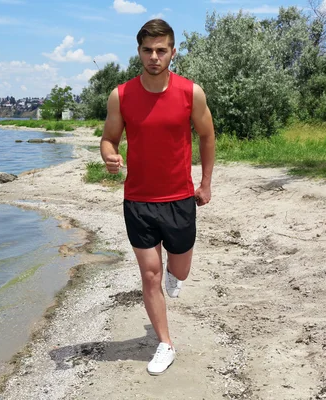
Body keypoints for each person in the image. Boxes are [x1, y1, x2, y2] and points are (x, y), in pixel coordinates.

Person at [100, 18, 215, 376]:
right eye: (148, 50)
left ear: (172, 52)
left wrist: (205, 182)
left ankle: (174, 277)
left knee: (177, 270)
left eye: (161, 50)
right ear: (139, 52)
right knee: (150, 275)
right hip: (138, 200)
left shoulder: (190, 92)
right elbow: (109, 138)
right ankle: (165, 343)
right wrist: (109, 156)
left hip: (180, 199)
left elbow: (207, 137)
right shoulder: (121, 95)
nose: (154, 56)